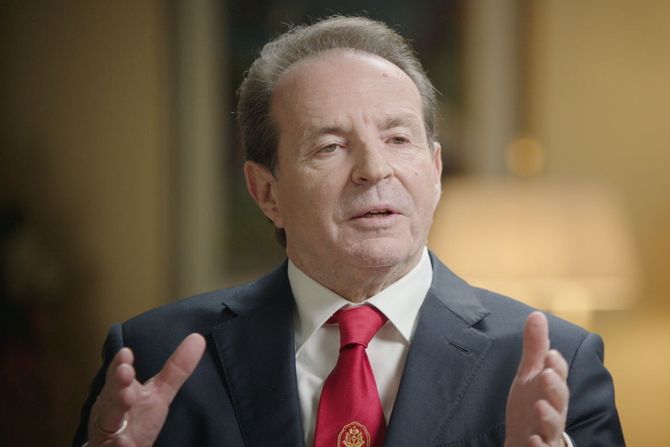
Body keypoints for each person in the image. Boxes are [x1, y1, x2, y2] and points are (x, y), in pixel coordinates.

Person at [73, 16, 624, 447]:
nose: (374, 170)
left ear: (435, 171)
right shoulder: (152, 356)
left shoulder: (557, 364)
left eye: (398, 139)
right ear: (266, 192)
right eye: (330, 146)